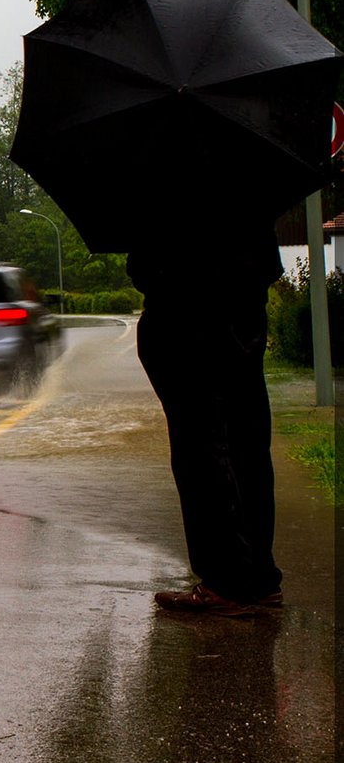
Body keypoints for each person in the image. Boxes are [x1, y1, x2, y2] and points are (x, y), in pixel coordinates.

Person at [126, 222, 285, 619]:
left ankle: (225, 582)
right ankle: (259, 579)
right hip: (244, 317)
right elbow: (269, 263)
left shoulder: (170, 182)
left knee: (200, 448)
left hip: (184, 318)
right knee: (247, 442)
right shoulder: (248, 176)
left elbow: (144, 266)